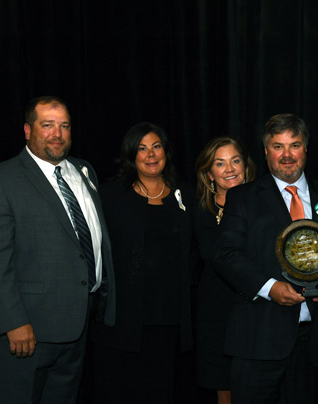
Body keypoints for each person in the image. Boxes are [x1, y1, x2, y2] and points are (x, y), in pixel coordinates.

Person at [0, 95, 116, 404]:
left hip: (77, 328)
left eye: (64, 126)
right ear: (27, 130)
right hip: (27, 331)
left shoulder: (84, 170)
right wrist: (13, 321)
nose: (57, 134)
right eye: (47, 125)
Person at [212, 113, 318, 403]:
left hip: (315, 343)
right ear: (266, 151)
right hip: (258, 340)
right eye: (278, 146)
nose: (286, 155)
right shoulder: (243, 198)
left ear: (306, 149)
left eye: (294, 145)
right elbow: (225, 254)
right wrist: (269, 288)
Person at [88, 122, 196, 403]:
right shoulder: (110, 196)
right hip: (122, 320)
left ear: (166, 152)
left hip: (169, 320)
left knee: (162, 391)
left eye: (156, 146)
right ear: (130, 155)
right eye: (142, 148)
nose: (150, 154)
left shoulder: (185, 194)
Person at [194, 137, 257, 404]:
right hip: (216, 313)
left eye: (235, 161)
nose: (229, 169)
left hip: (256, 310)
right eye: (220, 163)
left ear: (246, 165)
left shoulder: (265, 206)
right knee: (224, 390)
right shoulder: (197, 211)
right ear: (209, 173)